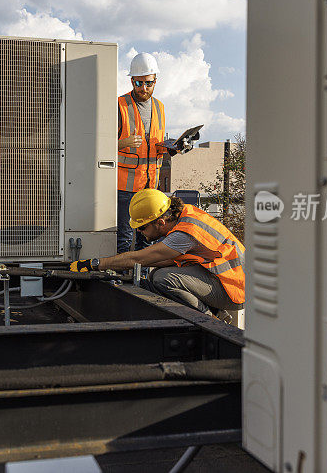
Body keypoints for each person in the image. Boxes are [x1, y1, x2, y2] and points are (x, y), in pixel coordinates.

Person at [71, 189, 245, 313]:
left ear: (160, 222)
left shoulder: (184, 234)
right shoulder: (186, 215)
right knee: (158, 273)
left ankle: (208, 321)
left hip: (234, 289)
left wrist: (94, 264)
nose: (139, 232)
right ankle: (216, 312)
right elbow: (162, 260)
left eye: (142, 227)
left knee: (163, 278)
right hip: (229, 281)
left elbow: (140, 258)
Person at [117, 52, 167, 254]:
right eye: (138, 83)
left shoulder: (160, 107)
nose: (143, 89)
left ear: (155, 81)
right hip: (125, 188)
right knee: (125, 238)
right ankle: (118, 279)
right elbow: (97, 146)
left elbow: (155, 145)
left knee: (148, 239)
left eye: (148, 83)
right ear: (131, 81)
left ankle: (142, 279)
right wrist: (122, 143)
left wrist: (173, 148)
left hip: (151, 186)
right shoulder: (120, 105)